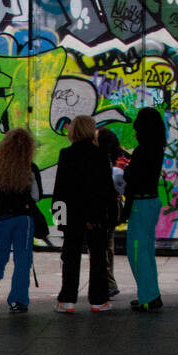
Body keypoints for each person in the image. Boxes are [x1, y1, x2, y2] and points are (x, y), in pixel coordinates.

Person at [52, 114, 119, 312]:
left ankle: (67, 300)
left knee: (70, 257)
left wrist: (60, 219)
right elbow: (106, 189)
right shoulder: (100, 154)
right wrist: (109, 215)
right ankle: (98, 300)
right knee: (98, 258)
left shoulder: (66, 154)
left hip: (72, 216)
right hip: (95, 216)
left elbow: (60, 190)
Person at [0, 127, 41, 314]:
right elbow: (36, 196)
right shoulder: (30, 168)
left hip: (1, 220)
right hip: (24, 220)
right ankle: (19, 301)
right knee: (23, 260)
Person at [123, 107, 167, 312]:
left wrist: (127, 170)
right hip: (152, 202)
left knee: (137, 252)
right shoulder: (157, 147)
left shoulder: (142, 150)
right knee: (146, 251)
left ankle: (147, 297)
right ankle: (150, 293)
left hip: (140, 204)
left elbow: (132, 178)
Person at [96, 127, 123, 300]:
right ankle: (108, 281)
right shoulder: (117, 166)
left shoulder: (103, 166)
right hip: (113, 210)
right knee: (108, 246)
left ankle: (108, 283)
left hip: (101, 210)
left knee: (101, 247)